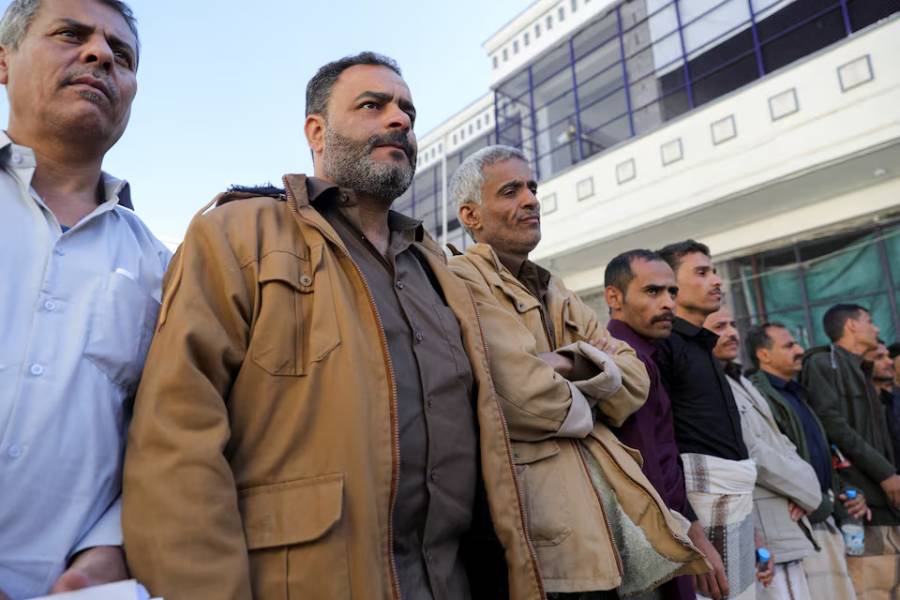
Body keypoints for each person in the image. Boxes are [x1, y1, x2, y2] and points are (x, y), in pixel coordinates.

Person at [122, 53, 545, 600]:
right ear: (316, 132)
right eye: (374, 105)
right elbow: (174, 439)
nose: (400, 121)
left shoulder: (438, 269)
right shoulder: (236, 233)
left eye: (407, 112)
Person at [448, 146, 707, 599]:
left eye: (532, 187)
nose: (530, 199)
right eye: (511, 191)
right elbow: (522, 397)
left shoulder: (556, 289)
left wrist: (567, 362)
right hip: (534, 532)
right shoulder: (460, 281)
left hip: (599, 530)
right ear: (470, 214)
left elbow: (636, 383)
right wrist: (597, 379)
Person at [0, 1, 169, 598]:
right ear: (4, 61)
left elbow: (168, 433)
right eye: (71, 35)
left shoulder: (162, 267)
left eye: (120, 55)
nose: (99, 55)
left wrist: (113, 545)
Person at [604, 249, 727, 600]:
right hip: (653, 545)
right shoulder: (625, 358)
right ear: (614, 297)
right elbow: (647, 468)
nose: (668, 303)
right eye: (652, 292)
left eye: (672, 292)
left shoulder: (650, 354)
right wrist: (691, 536)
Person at [655, 240, 757, 600]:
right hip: (698, 512)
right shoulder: (664, 346)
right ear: (671, 284)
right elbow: (660, 447)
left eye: (714, 271)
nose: (716, 280)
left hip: (736, 503)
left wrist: (755, 529)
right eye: (702, 272)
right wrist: (694, 534)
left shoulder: (703, 346)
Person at [746, 322, 867, 600]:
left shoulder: (795, 393)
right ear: (764, 355)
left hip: (821, 513)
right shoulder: (762, 396)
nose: (800, 350)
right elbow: (771, 461)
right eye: (789, 346)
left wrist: (840, 493)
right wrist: (814, 500)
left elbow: (819, 455)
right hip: (800, 521)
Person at [706, 308, 820, 600]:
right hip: (765, 530)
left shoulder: (739, 378)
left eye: (733, 324)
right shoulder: (710, 382)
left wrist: (804, 488)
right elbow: (753, 451)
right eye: (720, 326)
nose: (732, 332)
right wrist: (809, 490)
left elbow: (783, 443)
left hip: (786, 523)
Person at [802, 304, 900, 599]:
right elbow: (832, 425)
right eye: (870, 321)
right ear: (852, 326)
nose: (877, 329)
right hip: (861, 509)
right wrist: (886, 474)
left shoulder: (861, 368)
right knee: (872, 591)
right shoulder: (824, 363)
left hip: (888, 507)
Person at [865, 340, 900, 472]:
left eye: (888, 356)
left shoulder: (889, 401)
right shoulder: (862, 408)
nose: (889, 362)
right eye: (880, 357)